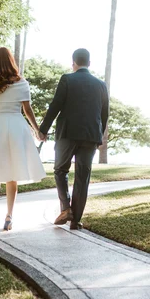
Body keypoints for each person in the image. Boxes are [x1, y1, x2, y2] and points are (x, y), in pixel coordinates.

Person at [0, 47, 47, 231]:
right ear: (11, 61)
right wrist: (37, 130)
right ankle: (9, 216)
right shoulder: (22, 82)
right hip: (16, 125)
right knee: (12, 171)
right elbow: (27, 110)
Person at [38, 48, 109, 230]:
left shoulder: (67, 79)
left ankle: (66, 208)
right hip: (91, 136)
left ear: (73, 63)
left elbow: (55, 106)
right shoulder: (101, 85)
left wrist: (43, 129)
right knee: (82, 177)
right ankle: (75, 220)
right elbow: (104, 115)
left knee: (60, 170)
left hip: (68, 134)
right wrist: (98, 135)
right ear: (89, 63)